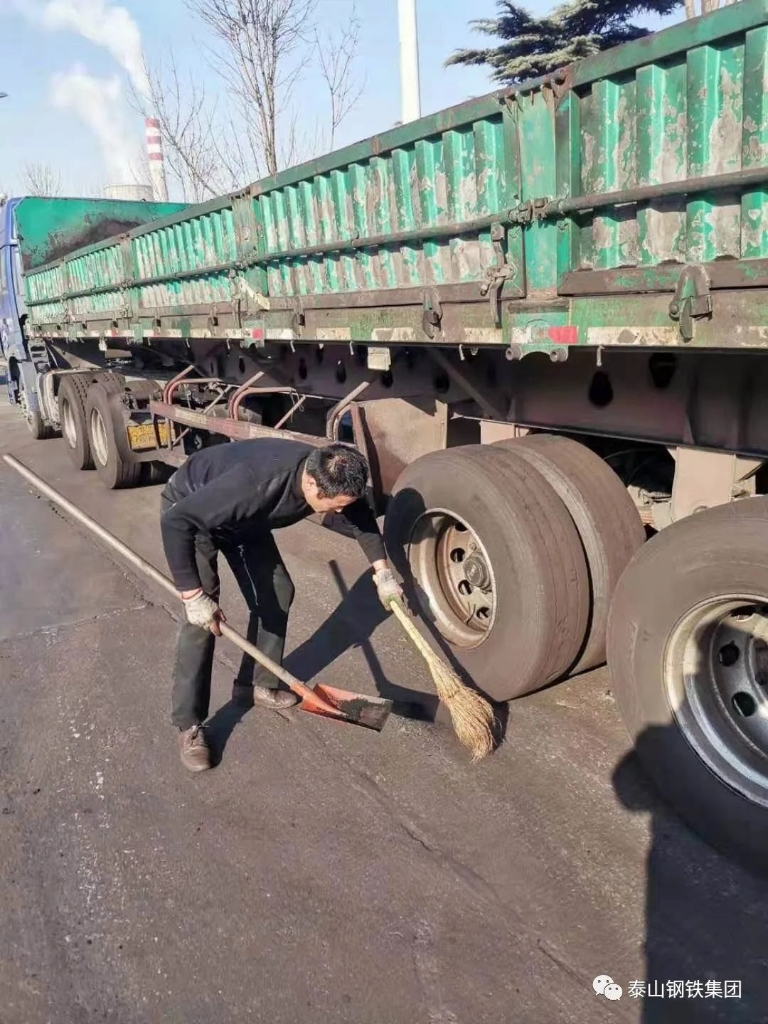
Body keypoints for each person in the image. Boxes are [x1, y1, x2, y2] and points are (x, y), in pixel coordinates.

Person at [160, 437, 403, 772]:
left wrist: (382, 573)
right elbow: (176, 522)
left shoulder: (334, 475)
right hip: (191, 511)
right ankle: (189, 725)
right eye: (334, 506)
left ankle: (257, 684)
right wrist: (192, 595)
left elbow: (360, 517)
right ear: (311, 484)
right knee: (202, 617)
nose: (339, 512)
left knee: (277, 591)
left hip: (245, 520)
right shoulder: (256, 483)